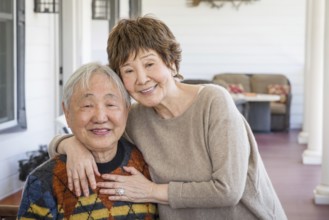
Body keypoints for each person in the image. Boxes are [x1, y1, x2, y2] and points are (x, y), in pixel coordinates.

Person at [48, 16, 287, 219]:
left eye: (150, 64)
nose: (142, 79)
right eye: (129, 70)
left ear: (171, 63)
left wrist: (151, 191)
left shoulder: (213, 102)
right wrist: (71, 145)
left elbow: (228, 190)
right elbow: (90, 133)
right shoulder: (135, 119)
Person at [17, 63, 158, 219]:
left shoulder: (150, 165)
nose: (100, 117)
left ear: (126, 110)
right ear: (67, 112)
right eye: (87, 105)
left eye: (110, 104)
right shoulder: (44, 181)